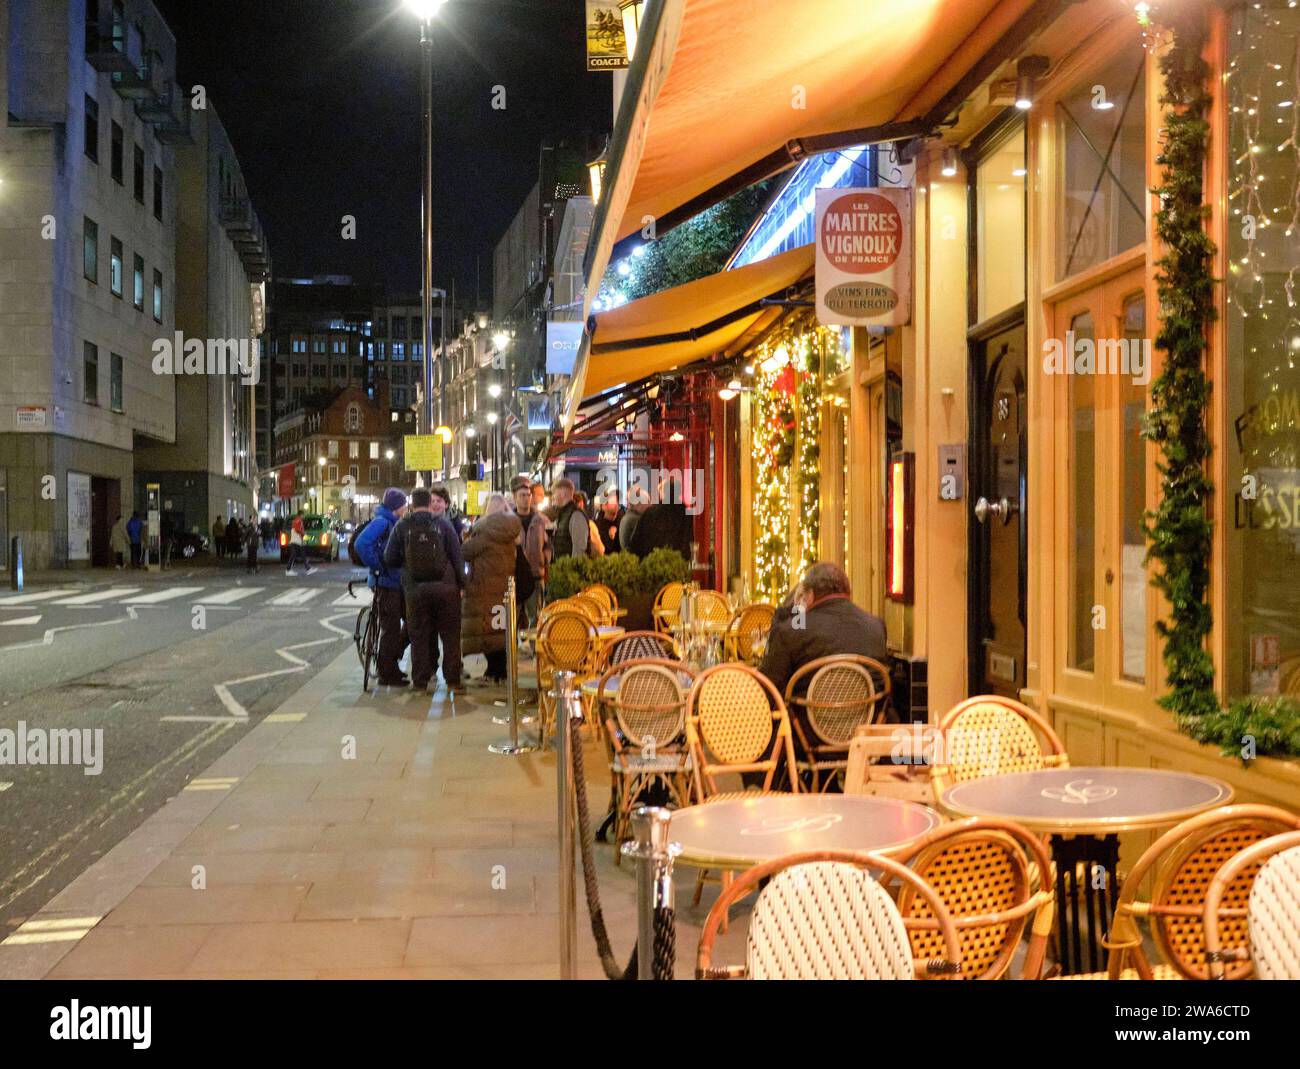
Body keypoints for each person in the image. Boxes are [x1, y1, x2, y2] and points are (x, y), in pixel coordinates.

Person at [758, 561, 889, 703]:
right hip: (868, 721)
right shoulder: (876, 626)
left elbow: (766, 689)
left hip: (803, 723)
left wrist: (793, 609)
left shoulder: (791, 631)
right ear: (848, 591)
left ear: (809, 595)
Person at [384, 486, 465, 691]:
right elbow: (457, 557)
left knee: (418, 635)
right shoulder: (444, 525)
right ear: (430, 503)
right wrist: (462, 584)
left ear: (412, 504)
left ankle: (420, 681)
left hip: (415, 589)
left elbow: (389, 557)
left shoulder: (402, 525)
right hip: (446, 589)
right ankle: (453, 680)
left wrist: (406, 566)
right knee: (450, 636)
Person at [462, 492, 523, 684]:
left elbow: (465, 552)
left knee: (488, 630)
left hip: (485, 586)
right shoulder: (512, 530)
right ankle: (500, 672)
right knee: (500, 629)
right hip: (506, 585)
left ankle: (495, 672)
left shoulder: (484, 531)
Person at [354, 488, 410, 686]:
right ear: (397, 506)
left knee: (411, 621)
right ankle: (387, 672)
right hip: (385, 583)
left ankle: (391, 662)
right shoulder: (382, 522)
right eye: (404, 504)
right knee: (391, 627)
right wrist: (379, 565)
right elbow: (361, 544)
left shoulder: (394, 522)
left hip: (397, 582)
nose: (406, 507)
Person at [627, 478, 693, 560]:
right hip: (679, 565)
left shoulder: (650, 513)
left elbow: (635, 543)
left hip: (652, 563)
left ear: (663, 493)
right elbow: (689, 541)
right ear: (679, 492)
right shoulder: (688, 514)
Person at [512, 478, 546, 628]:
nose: (526, 499)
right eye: (522, 495)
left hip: (535, 575)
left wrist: (544, 559)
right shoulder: (510, 521)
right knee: (513, 618)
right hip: (515, 575)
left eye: (528, 495)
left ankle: (533, 650)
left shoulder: (539, 520)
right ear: (515, 498)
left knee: (536, 617)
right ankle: (515, 649)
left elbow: (548, 544)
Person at [548, 477, 589, 559]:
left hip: (570, 570)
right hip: (561, 568)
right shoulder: (563, 514)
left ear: (563, 493)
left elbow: (579, 549)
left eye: (554, 493)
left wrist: (571, 569)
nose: (553, 497)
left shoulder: (576, 515)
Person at [573, 491, 604, 558]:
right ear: (581, 504)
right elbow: (599, 550)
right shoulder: (589, 525)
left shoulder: (560, 523)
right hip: (584, 563)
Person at [619, 485, 650, 553]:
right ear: (637, 504)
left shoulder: (626, 517)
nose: (648, 506)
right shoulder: (635, 520)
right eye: (647, 502)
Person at [285, 510, 314, 576]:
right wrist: (306, 537)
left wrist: (304, 536)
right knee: (297, 555)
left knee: (296, 555)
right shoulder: (299, 521)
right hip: (297, 541)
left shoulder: (295, 521)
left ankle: (308, 569)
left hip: (295, 540)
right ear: (301, 515)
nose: (304, 516)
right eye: (303, 515)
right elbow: (298, 530)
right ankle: (288, 570)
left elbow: (297, 530)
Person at [596, 489, 624, 555]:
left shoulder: (622, 520)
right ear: (603, 506)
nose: (616, 504)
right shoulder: (598, 525)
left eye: (616, 501)